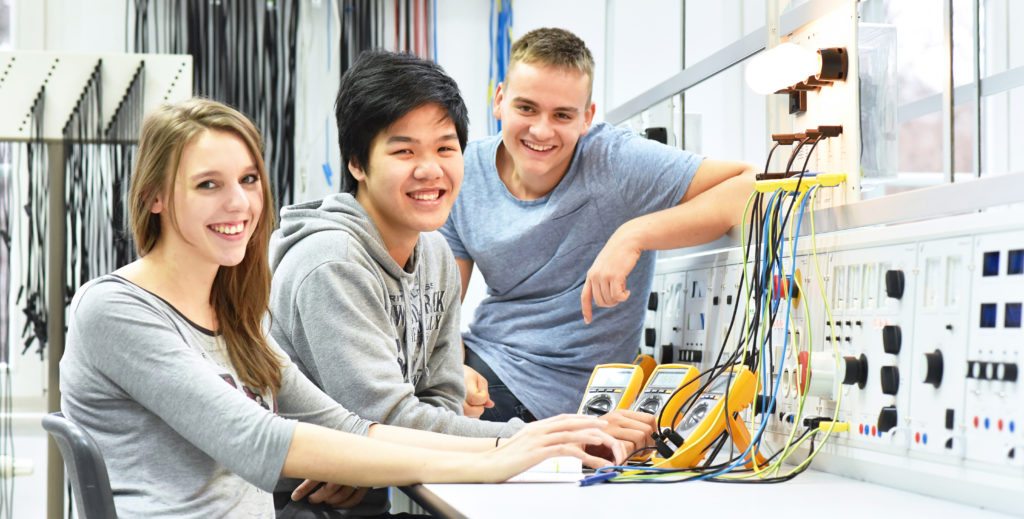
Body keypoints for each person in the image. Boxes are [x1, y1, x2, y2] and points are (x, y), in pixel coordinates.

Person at [59, 98, 623, 517]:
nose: (239, 203)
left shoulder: (233, 317)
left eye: (249, 179)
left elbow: (352, 427)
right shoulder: (115, 310)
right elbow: (264, 441)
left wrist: (523, 442)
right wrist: (488, 462)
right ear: (156, 196)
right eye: (208, 184)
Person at [267, 51, 655, 512]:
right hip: (290, 498)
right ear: (357, 163)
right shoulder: (330, 262)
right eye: (404, 150)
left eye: (445, 148)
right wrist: (535, 440)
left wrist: (372, 464)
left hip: (363, 483)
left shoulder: (432, 253)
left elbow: (440, 395)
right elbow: (386, 418)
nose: (430, 169)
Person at [440, 28, 756, 422]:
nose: (541, 130)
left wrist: (634, 234)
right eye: (526, 108)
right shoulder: (463, 173)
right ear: (499, 99)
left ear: (587, 118)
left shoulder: (614, 162)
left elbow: (750, 187)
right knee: (379, 408)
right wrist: (454, 371)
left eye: (562, 115)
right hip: (481, 366)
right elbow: (439, 312)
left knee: (403, 439)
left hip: (555, 396)